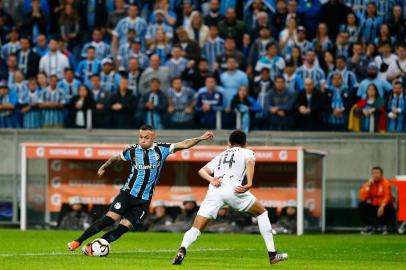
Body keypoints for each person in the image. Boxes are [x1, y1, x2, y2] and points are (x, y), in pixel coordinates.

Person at [67, 125, 214, 254]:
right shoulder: (132, 151)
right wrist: (104, 166)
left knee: (123, 228)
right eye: (140, 137)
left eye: (146, 137)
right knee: (109, 219)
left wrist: (201, 137)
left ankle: (92, 247)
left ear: (153, 138)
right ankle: (77, 241)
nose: (142, 140)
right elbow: (115, 158)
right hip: (127, 194)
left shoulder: (162, 149)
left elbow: (185, 144)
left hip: (143, 200)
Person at [172, 130, 288, 265]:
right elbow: (250, 162)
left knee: (196, 227)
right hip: (233, 188)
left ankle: (182, 249)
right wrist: (249, 183)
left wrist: (212, 179)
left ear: (229, 143)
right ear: (245, 143)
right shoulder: (247, 151)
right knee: (262, 213)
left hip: (215, 190)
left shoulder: (220, 155)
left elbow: (201, 171)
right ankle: (272, 255)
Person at [358, 166, 395, 235]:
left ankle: (385, 226)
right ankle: (369, 226)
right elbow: (362, 197)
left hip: (383, 207)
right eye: (374, 173)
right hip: (374, 206)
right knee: (362, 205)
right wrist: (368, 187)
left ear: (381, 174)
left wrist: (382, 206)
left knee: (388, 204)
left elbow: (387, 196)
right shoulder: (369, 183)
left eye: (377, 173)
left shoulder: (386, 183)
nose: (375, 175)